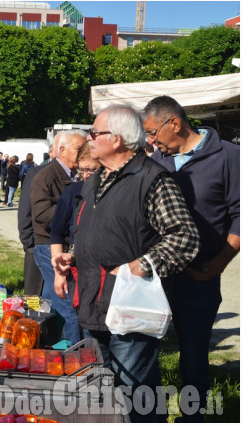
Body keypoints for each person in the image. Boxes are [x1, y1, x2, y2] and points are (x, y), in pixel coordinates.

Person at [52, 105, 200, 422]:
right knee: (103, 397)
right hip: (93, 305)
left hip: (131, 312)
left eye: (95, 133)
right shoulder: (94, 181)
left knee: (135, 400)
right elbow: (98, 232)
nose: (88, 139)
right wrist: (73, 254)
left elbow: (185, 238)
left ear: (117, 139)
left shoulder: (154, 180)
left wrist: (138, 266)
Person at [143, 95, 240, 422]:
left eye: (153, 133)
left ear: (174, 123)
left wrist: (216, 266)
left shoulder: (228, 156)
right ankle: (149, 415)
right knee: (145, 352)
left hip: (200, 276)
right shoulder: (157, 162)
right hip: (156, 277)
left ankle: (193, 416)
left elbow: (239, 217)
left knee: (194, 357)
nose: (151, 141)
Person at [30, 130, 86, 343]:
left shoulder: (73, 174)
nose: (84, 153)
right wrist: (75, 213)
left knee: (50, 302)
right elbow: (41, 214)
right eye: (79, 149)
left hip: (62, 246)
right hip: (49, 247)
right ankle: (78, 352)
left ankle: (47, 342)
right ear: (62, 150)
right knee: (66, 304)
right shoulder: (47, 175)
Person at [49, 142, 100, 300]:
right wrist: (59, 273)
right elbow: (57, 232)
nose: (85, 175)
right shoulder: (73, 191)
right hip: (76, 268)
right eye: (82, 170)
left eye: (91, 170)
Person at [18, 162, 47, 296]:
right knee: (33, 297)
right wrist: (28, 242)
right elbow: (25, 209)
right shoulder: (38, 173)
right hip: (37, 243)